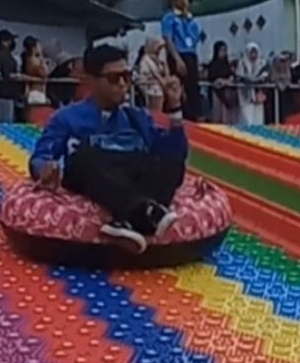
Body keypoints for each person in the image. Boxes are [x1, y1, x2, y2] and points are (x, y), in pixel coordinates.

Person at [29, 44, 187, 253]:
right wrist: (46, 170)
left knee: (173, 163)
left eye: (126, 76)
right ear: (91, 81)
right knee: (84, 157)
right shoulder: (67, 118)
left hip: (130, 175)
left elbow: (174, 153)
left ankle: (131, 221)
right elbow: (40, 156)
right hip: (92, 176)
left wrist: (174, 108)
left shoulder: (136, 118)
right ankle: (142, 213)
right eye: (114, 78)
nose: (122, 84)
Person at [161, 0, 202, 120]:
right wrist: (177, 59)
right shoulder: (169, 18)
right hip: (178, 54)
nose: (183, 0)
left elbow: (195, 39)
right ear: (174, 0)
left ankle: (193, 117)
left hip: (190, 54)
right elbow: (168, 39)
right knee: (176, 87)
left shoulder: (192, 19)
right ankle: (176, 116)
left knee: (193, 89)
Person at [0, 29, 22, 123]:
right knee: (6, 122)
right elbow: (7, 74)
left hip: (5, 93)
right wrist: (17, 76)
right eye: (10, 40)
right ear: (4, 41)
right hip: (4, 93)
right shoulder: (3, 55)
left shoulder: (1, 54)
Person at [236, 43, 269, 126]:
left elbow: (265, 76)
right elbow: (239, 76)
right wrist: (249, 79)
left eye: (255, 52)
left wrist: (257, 79)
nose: (253, 55)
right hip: (245, 96)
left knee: (258, 120)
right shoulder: (242, 63)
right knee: (247, 120)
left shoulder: (262, 63)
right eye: (251, 53)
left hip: (258, 96)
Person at [205, 41, 238, 124]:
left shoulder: (227, 65)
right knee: (217, 119)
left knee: (228, 120)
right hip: (216, 96)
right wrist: (222, 81)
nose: (224, 53)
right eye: (221, 50)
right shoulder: (213, 65)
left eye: (225, 50)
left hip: (228, 97)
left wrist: (228, 80)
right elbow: (214, 80)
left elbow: (232, 76)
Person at [136, 37, 170, 114]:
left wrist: (164, 62)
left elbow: (166, 73)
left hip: (159, 85)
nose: (160, 50)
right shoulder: (146, 59)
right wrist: (164, 84)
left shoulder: (158, 59)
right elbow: (156, 74)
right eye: (159, 47)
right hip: (149, 86)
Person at [21, 35, 49, 108]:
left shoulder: (27, 58)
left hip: (33, 92)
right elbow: (45, 73)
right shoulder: (34, 60)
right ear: (34, 47)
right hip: (36, 93)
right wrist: (42, 59)